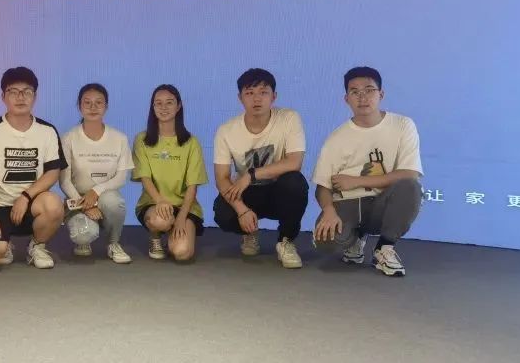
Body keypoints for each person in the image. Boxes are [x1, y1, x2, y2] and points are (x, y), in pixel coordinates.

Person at [312, 66, 423, 277]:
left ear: (381, 94)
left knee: (410, 188)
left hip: (383, 202)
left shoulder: (402, 125)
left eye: (369, 90)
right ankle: (355, 238)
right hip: (348, 203)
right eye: (355, 92)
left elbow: (410, 173)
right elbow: (322, 187)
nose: (362, 97)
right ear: (346, 99)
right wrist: (328, 210)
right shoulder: (336, 138)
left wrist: (357, 181)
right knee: (326, 241)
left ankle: (384, 248)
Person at [0, 66, 66, 269]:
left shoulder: (47, 131)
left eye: (27, 92)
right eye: (13, 91)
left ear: (35, 96)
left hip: (31, 203)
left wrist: (26, 196)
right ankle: (5, 245)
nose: (20, 97)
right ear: (3, 97)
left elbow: (53, 172)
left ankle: (37, 246)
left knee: (54, 204)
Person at [213, 68, 308, 269]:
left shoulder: (289, 118)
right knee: (222, 210)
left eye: (263, 92)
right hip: (248, 194)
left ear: (274, 96)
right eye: (249, 93)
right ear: (240, 98)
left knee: (295, 182)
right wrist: (241, 210)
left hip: (278, 191)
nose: (257, 99)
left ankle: (286, 241)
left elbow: (295, 162)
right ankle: (249, 232)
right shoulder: (226, 131)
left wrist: (251, 174)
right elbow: (222, 178)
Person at [59, 83, 133, 264]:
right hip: (77, 199)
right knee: (83, 235)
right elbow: (64, 181)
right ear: (79, 106)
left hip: (106, 197)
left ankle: (113, 243)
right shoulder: (68, 138)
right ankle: (84, 237)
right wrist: (85, 204)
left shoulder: (120, 138)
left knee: (114, 202)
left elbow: (121, 178)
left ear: (106, 106)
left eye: (99, 103)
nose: (93, 107)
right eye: (87, 102)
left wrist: (96, 191)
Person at [133, 84, 207, 262]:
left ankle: (177, 234)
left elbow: (193, 186)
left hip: (184, 206)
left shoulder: (191, 142)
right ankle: (156, 237)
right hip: (154, 203)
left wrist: (181, 218)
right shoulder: (142, 140)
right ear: (153, 107)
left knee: (182, 253)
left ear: (178, 106)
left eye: (169, 102)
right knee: (160, 221)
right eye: (158, 103)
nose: (163, 107)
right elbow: (145, 177)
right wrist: (160, 201)